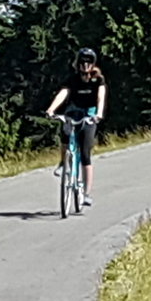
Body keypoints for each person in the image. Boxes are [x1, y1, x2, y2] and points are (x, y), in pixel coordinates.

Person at [43, 48, 108, 206]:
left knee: (85, 153)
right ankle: (62, 162)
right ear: (78, 63)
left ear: (92, 64)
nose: (85, 65)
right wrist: (52, 109)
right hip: (74, 111)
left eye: (88, 62)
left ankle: (86, 193)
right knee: (66, 132)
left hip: (90, 114)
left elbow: (101, 97)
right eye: (82, 62)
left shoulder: (98, 80)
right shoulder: (72, 79)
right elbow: (63, 93)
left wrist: (98, 113)